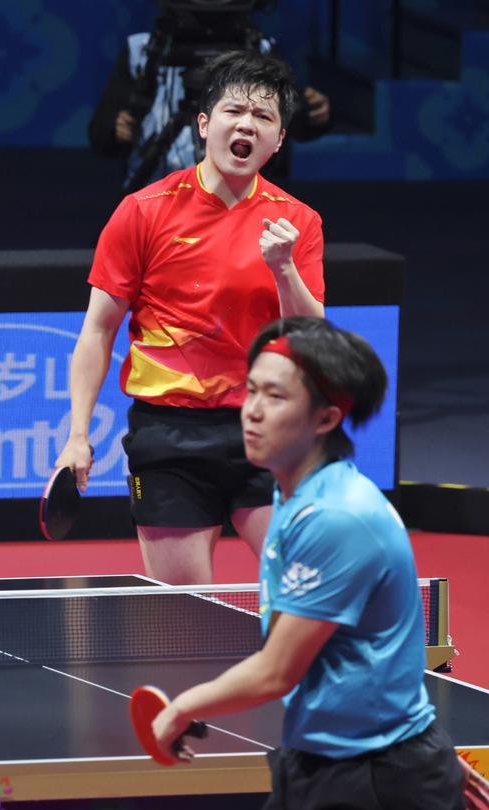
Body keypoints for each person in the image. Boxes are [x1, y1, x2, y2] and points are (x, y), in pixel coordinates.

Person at [151, 315, 489, 810]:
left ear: (326, 418)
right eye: (252, 390)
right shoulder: (293, 494)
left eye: (275, 396)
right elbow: (374, 647)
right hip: (314, 765)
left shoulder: (338, 517)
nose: (252, 411)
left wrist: (182, 707)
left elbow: (276, 670)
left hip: (382, 787)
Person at [56, 51, 324, 583]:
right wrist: (77, 435)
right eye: (234, 111)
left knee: (306, 587)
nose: (246, 124)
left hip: (266, 426)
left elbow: (310, 334)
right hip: (169, 437)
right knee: (183, 611)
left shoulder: (297, 223)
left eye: (263, 116)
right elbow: (98, 330)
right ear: (204, 124)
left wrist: (283, 268)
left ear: (278, 140)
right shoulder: (143, 211)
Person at [88, 3, 331, 191]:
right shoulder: (143, 53)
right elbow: (101, 136)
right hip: (157, 197)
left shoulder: (262, 51)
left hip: (242, 203)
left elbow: (293, 126)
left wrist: (314, 115)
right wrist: (117, 130)